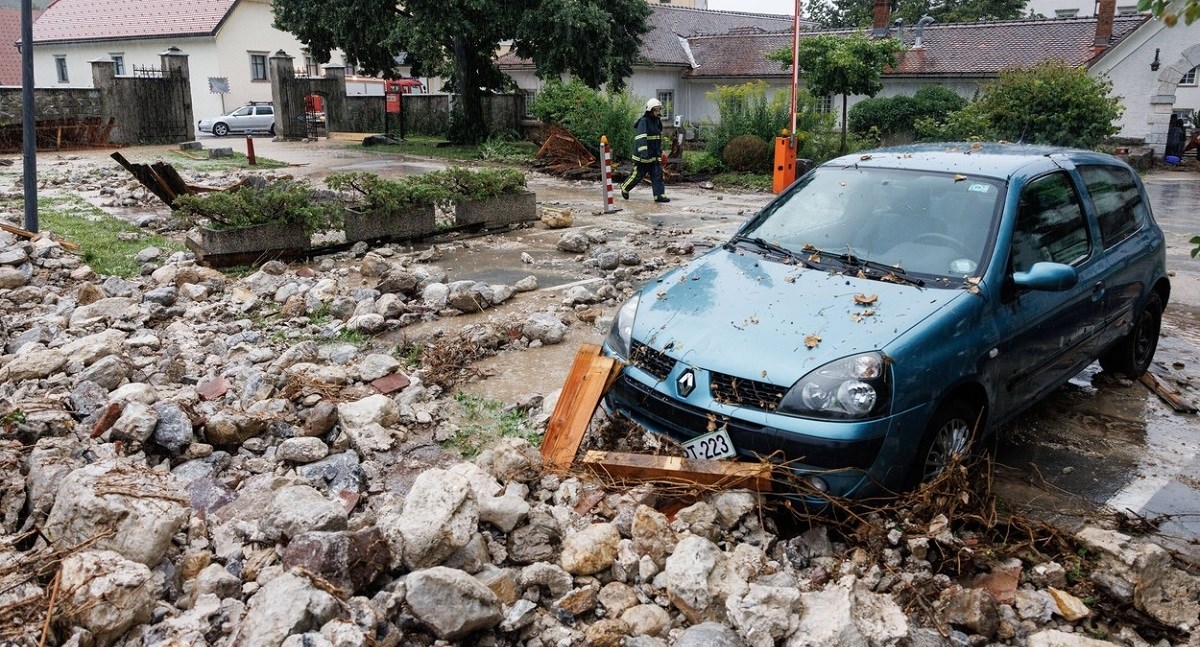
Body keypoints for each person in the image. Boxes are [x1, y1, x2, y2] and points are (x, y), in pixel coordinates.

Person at [621, 98, 670, 203]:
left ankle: (659, 196)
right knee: (637, 175)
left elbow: (657, 138)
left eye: (659, 110)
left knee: (657, 175)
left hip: (654, 154)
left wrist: (661, 151)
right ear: (650, 110)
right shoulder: (643, 121)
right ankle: (625, 187)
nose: (658, 112)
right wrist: (644, 153)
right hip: (643, 155)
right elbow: (641, 138)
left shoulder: (657, 121)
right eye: (656, 110)